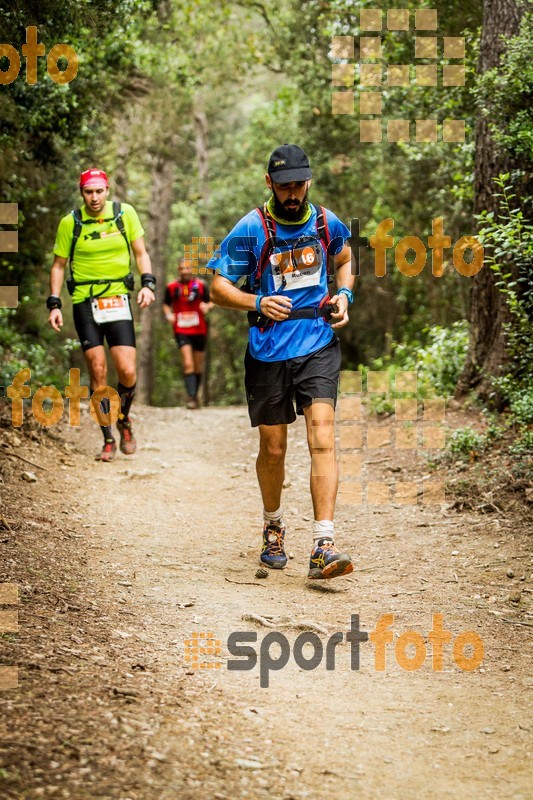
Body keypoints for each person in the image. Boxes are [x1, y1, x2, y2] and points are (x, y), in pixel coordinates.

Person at [209, 144, 355, 580]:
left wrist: (344, 295)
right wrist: (255, 300)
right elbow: (217, 287)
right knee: (273, 448)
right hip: (268, 351)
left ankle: (323, 544)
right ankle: (273, 527)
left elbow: (346, 260)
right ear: (269, 183)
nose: (293, 193)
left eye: (299, 184)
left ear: (308, 181)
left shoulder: (328, 222)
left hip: (317, 343)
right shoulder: (252, 228)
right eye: (285, 185)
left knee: (322, 436)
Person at [47, 168, 156, 462]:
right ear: (81, 193)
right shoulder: (71, 222)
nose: (94, 198)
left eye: (99, 191)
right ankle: (108, 437)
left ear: (107, 190)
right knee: (97, 372)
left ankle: (123, 419)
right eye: (88, 192)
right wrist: (54, 303)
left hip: (117, 299)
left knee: (128, 371)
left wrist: (148, 284)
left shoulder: (124, 214)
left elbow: (141, 252)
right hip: (84, 301)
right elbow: (59, 265)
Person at [163, 258, 214, 409]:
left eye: (187, 268)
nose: (185, 271)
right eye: (182, 269)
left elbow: (212, 301)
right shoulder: (171, 287)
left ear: (192, 269)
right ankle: (191, 397)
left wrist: (207, 307)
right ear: (178, 270)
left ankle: (195, 396)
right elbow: (166, 304)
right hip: (181, 329)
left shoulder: (201, 285)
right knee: (188, 363)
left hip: (199, 329)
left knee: (198, 366)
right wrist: (168, 314)